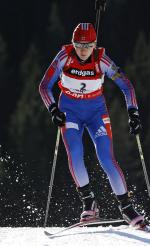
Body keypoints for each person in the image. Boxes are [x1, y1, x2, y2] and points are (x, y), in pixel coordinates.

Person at [39, 23, 145, 227]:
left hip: (96, 113)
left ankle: (127, 208)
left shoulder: (101, 60)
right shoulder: (64, 57)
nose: (83, 50)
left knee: (106, 158)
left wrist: (133, 112)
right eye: (78, 44)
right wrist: (53, 109)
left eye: (88, 45)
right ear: (72, 43)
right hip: (69, 112)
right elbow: (44, 86)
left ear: (95, 45)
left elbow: (126, 85)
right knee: (75, 153)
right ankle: (89, 202)